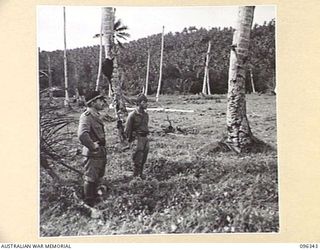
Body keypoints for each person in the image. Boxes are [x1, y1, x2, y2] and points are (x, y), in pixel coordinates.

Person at [77, 90, 107, 207]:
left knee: (97, 178)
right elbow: (82, 134)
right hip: (92, 154)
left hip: (99, 153)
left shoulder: (96, 115)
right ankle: (89, 204)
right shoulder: (86, 116)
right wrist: (92, 145)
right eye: (100, 100)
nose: (102, 103)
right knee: (90, 179)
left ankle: (96, 200)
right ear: (93, 102)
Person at [124, 94, 149, 178]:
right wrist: (131, 141)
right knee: (137, 160)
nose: (146, 104)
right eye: (144, 102)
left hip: (145, 138)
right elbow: (127, 129)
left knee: (144, 159)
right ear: (138, 103)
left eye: (146, 102)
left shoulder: (146, 115)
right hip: (137, 139)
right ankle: (135, 177)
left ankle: (140, 175)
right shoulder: (132, 115)